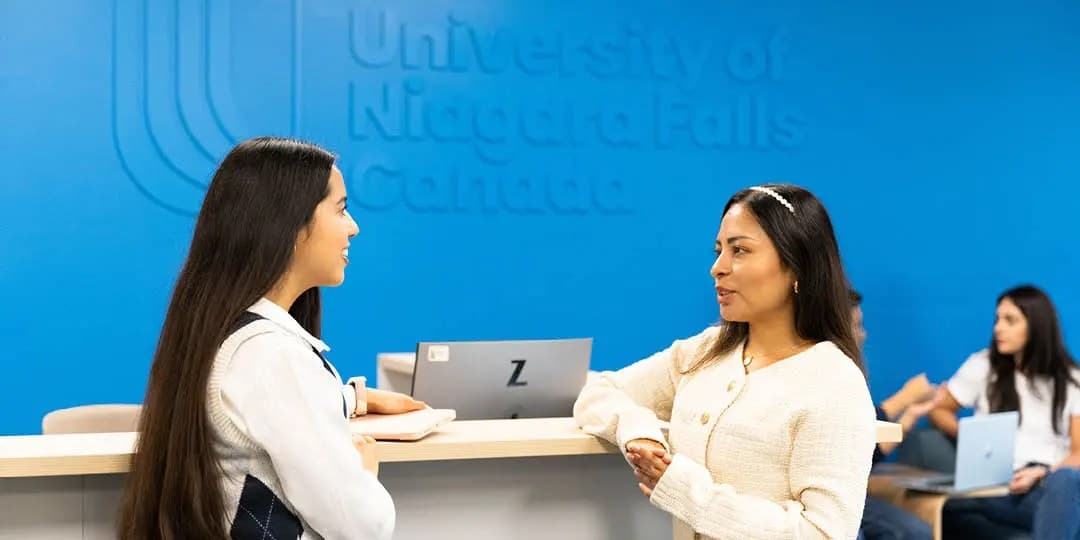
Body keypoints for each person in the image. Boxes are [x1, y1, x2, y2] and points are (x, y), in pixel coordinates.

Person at [117, 137, 425, 540]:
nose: (353, 227)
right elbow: (363, 525)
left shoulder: (231, 335)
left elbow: (259, 408)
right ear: (291, 226)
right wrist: (365, 471)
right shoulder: (272, 355)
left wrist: (354, 398)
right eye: (341, 209)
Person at [574, 183, 877, 539]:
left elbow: (824, 533)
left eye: (740, 251)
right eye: (719, 251)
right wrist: (639, 432)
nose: (717, 268)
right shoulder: (705, 351)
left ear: (797, 267)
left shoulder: (834, 383)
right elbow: (599, 392)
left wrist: (687, 492)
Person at [930, 285, 1080, 539]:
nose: (998, 328)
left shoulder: (1071, 379)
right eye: (997, 319)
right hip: (1000, 483)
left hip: (1048, 481)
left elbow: (1078, 453)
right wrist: (971, 437)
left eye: (1010, 320)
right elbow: (939, 410)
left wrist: (1042, 473)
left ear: (1037, 326)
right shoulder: (983, 366)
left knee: (1066, 483)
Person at [851, 289, 936, 540]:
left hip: (854, 491)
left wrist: (910, 414)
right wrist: (906, 396)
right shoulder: (826, 373)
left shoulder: (854, 374)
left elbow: (867, 451)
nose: (863, 334)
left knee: (916, 531)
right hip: (826, 496)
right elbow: (860, 441)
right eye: (857, 326)